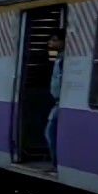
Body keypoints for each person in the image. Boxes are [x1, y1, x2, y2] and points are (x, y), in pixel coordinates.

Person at [44, 30, 65, 172]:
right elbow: (49, 61)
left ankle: (56, 165)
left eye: (54, 40)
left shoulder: (64, 60)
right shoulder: (58, 58)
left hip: (60, 103)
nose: (50, 43)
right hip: (57, 102)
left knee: (50, 133)